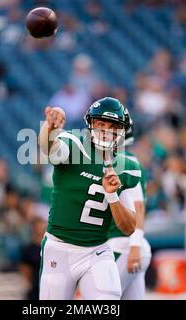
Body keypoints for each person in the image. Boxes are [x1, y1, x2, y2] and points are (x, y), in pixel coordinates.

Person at [38, 97, 140, 300]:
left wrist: (112, 195)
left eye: (112, 126)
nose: (105, 130)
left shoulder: (128, 168)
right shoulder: (75, 146)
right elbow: (47, 148)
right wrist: (50, 127)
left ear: (122, 131)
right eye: (101, 124)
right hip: (60, 247)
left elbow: (128, 227)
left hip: (97, 251)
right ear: (91, 124)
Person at [107, 114, 152, 300]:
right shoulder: (125, 159)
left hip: (124, 247)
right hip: (129, 246)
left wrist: (134, 245)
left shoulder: (123, 162)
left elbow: (138, 208)